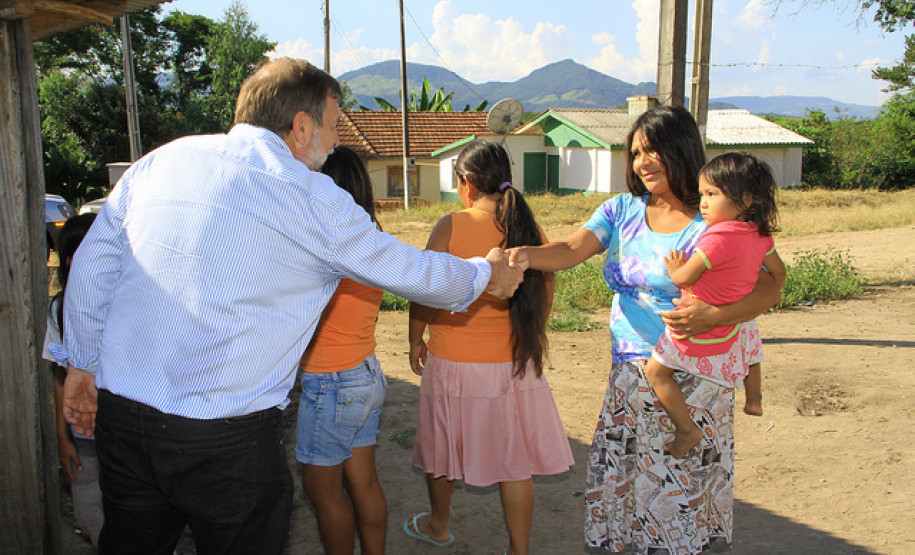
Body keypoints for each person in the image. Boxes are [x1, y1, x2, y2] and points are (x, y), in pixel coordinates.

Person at [61, 58, 523, 555]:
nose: (336, 139)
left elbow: (92, 266)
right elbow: (409, 270)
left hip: (124, 419)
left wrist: (81, 365)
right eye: (334, 124)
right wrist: (485, 274)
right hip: (225, 438)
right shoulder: (307, 195)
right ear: (301, 126)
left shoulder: (163, 160)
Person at [508, 105, 783, 554]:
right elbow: (572, 249)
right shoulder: (621, 210)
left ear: (681, 148)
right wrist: (523, 255)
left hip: (700, 373)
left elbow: (771, 285)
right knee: (632, 476)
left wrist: (714, 316)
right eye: (635, 153)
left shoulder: (719, 215)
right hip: (633, 371)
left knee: (682, 486)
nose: (642, 162)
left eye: (653, 149)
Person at [404, 140, 574, 555]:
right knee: (514, 461)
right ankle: (519, 548)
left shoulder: (451, 226)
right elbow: (545, 291)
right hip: (514, 364)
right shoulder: (529, 230)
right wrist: (529, 338)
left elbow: (425, 289)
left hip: (454, 363)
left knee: (443, 447)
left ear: (466, 184)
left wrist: (415, 338)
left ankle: (438, 525)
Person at [645, 152, 786, 458]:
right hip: (733, 325)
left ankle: (686, 429)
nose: (704, 203)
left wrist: (674, 268)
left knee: (656, 372)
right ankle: (754, 398)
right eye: (702, 195)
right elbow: (779, 275)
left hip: (696, 325)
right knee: (750, 340)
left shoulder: (716, 238)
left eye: (712, 194)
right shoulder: (761, 237)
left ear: (745, 200)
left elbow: (685, 276)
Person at [295, 146, 388, 555]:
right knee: (363, 482)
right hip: (365, 373)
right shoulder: (373, 240)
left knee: (323, 491)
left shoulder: (323, 245)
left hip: (331, 381)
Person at [43, 213, 102, 547]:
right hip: (85, 435)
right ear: (68, 261)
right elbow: (59, 376)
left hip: (125, 432)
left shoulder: (127, 305)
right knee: (90, 505)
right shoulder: (59, 311)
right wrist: (63, 438)